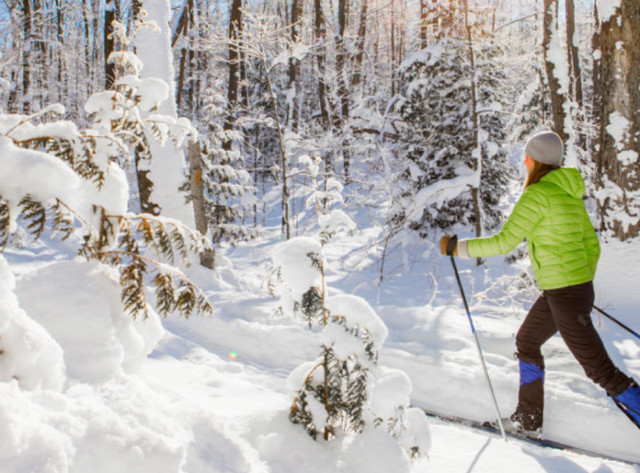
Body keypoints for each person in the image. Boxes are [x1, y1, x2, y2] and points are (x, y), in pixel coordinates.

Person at [439, 130, 640, 433]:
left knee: (600, 370)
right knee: (527, 341)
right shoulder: (570, 194)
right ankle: (528, 420)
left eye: (527, 157)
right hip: (568, 291)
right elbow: (592, 246)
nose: (524, 161)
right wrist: (578, 282)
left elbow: (503, 243)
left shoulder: (538, 194)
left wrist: (457, 248)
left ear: (535, 161)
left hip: (565, 293)